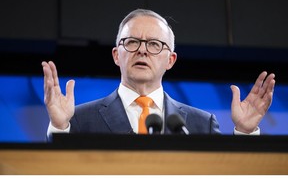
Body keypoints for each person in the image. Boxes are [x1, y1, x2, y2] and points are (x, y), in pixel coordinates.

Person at [42, 8, 276, 138]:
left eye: (154, 44)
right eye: (132, 42)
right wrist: (60, 129)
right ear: (116, 55)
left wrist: (245, 133)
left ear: (170, 60)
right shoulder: (80, 120)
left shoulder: (201, 125)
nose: (142, 50)